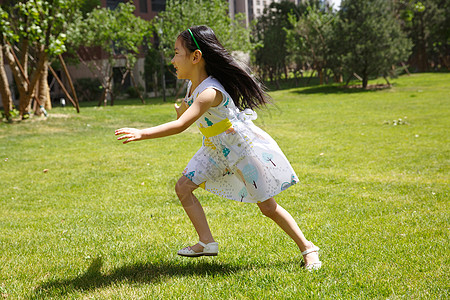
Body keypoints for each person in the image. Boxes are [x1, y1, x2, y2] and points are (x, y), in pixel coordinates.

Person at [115, 25, 321, 270]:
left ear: (196, 56)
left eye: (176, 53)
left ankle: (309, 249)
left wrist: (142, 132)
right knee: (183, 187)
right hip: (214, 150)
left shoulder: (210, 91)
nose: (172, 60)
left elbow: (181, 125)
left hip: (240, 151)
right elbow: (190, 111)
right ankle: (206, 242)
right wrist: (183, 108)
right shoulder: (193, 86)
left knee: (267, 207)